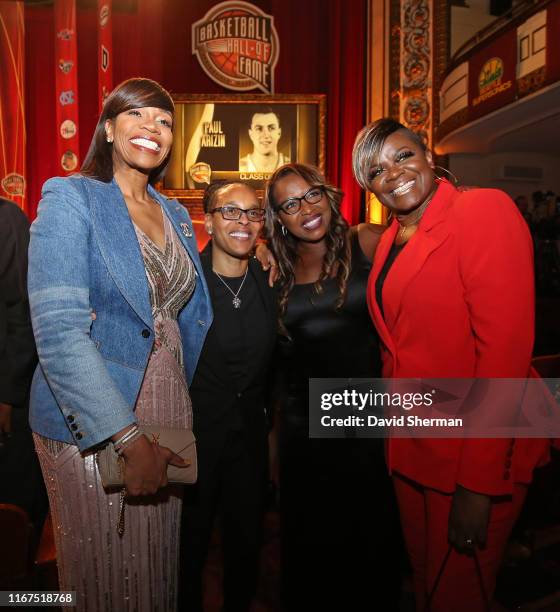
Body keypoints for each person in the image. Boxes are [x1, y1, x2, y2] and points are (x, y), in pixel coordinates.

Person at [27, 78, 212, 611]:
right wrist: (126, 438)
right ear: (108, 128)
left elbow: (189, 311)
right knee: (101, 575)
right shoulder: (72, 197)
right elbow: (58, 330)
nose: (152, 129)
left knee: (156, 571)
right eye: (138, 115)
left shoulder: (176, 213)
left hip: (170, 402)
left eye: (165, 122)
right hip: (99, 411)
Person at [352, 118, 551, 611]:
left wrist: (477, 485)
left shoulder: (481, 210)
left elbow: (504, 358)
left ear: (426, 152)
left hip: (474, 453)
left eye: (402, 155)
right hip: (413, 449)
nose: (393, 173)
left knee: (459, 595)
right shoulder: (393, 238)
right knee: (426, 585)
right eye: (376, 171)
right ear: (368, 187)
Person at [264, 163, 402, 611]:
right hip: (303, 427)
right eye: (289, 204)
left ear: (328, 194)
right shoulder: (275, 273)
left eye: (311, 194)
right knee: (311, 546)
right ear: (279, 219)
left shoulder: (366, 239)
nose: (305, 209)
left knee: (369, 540)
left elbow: (432, 252)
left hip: (366, 416)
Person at [179, 180, 278, 611]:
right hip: (193, 441)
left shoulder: (270, 278)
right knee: (188, 551)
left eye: (252, 212)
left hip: (251, 441)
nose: (243, 222)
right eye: (230, 211)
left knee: (246, 547)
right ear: (209, 218)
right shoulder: (184, 283)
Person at [0, 197, 47, 528]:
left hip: (7, 398)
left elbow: (24, 313)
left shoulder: (6, 220)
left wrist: (7, 395)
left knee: (12, 519)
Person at [239, 108, 290, 173]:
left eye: (271, 128)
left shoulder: (291, 167)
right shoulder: (239, 167)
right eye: (259, 129)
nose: (266, 135)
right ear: (250, 134)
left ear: (279, 132)